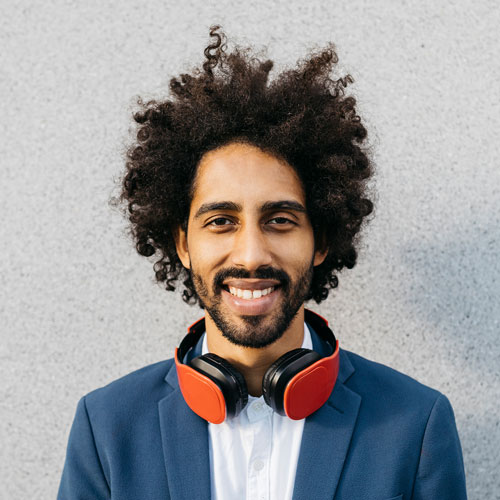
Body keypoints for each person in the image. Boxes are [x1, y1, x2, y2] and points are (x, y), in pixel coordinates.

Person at [57, 26, 467, 500]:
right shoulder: (106, 427)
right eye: (221, 221)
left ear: (320, 240)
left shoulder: (416, 425)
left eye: (280, 220)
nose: (251, 255)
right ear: (183, 244)